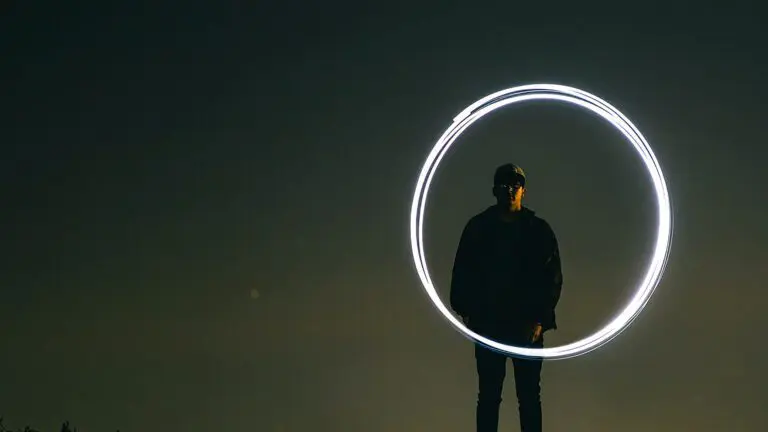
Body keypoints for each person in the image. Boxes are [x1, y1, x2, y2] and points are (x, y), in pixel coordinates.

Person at [450, 163, 563, 432]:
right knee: (489, 396)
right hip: (490, 325)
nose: (510, 191)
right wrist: (468, 313)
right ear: (495, 191)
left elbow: (553, 278)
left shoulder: (538, 230)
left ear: (524, 190)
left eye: (515, 186)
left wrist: (539, 321)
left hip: (527, 328)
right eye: (504, 187)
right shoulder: (479, 228)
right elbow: (462, 271)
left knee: (528, 398)